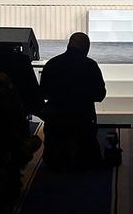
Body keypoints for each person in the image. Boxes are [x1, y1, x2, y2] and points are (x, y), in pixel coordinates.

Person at [40, 32, 106, 170]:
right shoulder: (90, 65)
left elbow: (43, 93)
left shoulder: (52, 64)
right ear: (86, 47)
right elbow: (100, 94)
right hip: (82, 119)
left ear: (69, 44)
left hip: (56, 122)